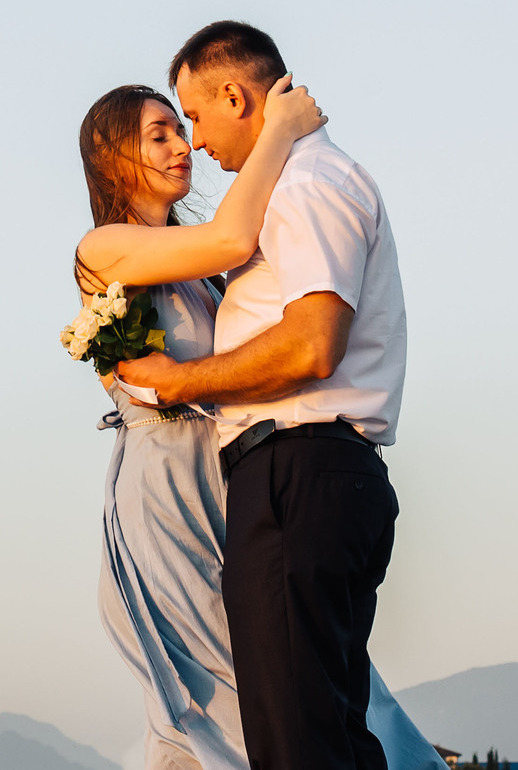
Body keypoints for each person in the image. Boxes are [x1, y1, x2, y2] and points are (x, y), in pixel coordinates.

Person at [74, 65, 434, 770]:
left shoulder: (205, 275)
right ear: (114, 154)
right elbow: (235, 235)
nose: (182, 144)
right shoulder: (103, 247)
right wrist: (284, 127)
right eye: (160, 133)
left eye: (182, 127)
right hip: (168, 488)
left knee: (289, 671)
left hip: (234, 478)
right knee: (213, 687)